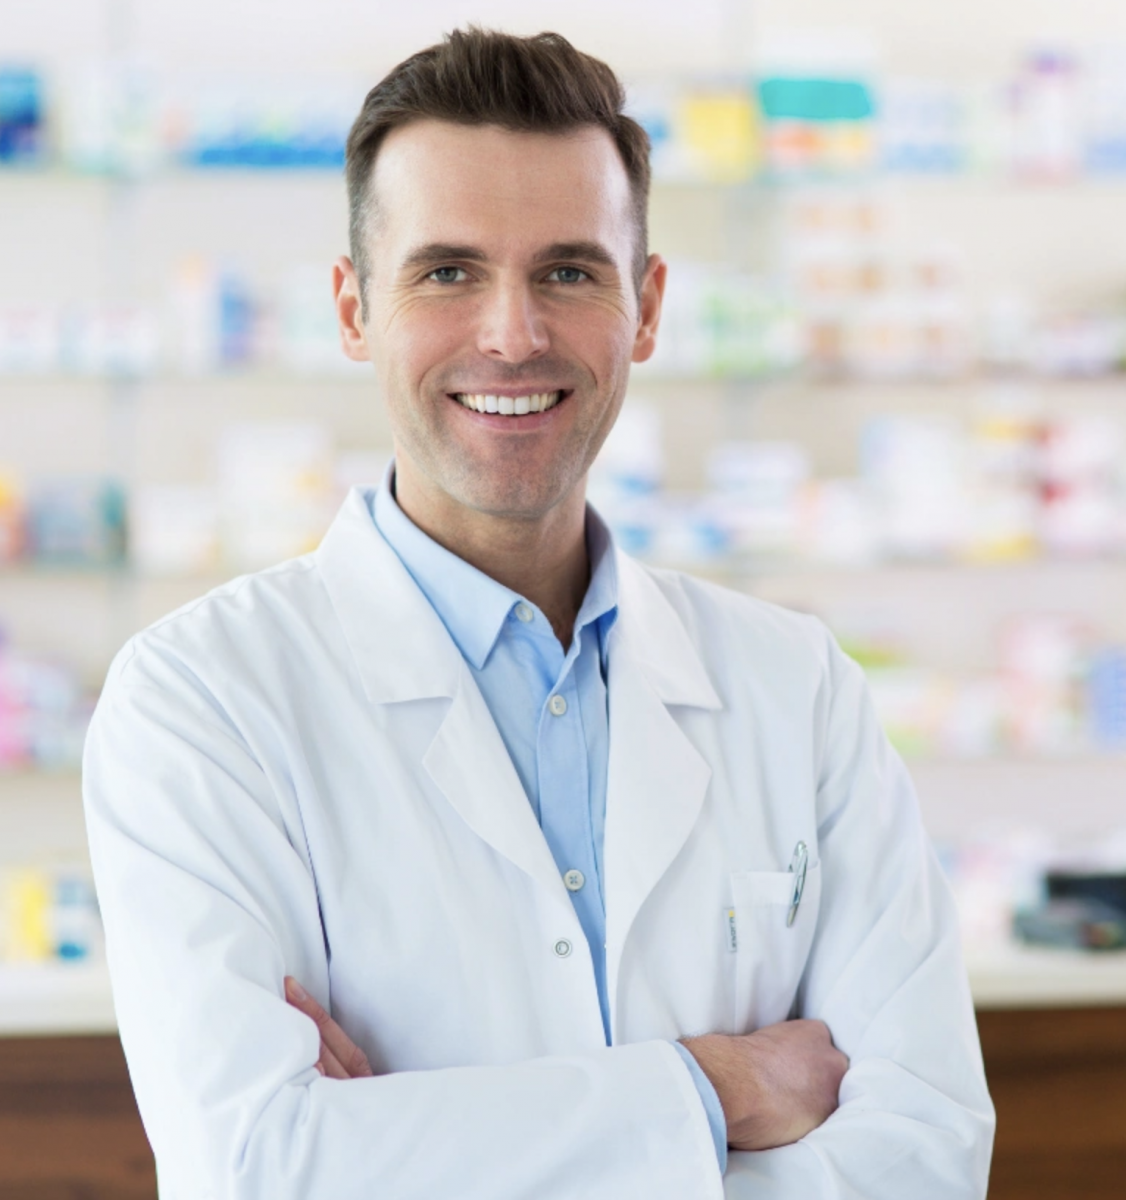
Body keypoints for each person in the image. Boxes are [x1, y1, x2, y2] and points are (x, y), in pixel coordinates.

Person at [84, 28, 994, 1199]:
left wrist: (415, 1142)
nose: (512, 334)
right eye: (447, 271)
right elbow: (259, 1165)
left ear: (647, 307)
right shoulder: (202, 699)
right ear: (354, 309)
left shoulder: (796, 685)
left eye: (568, 270)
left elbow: (926, 1156)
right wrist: (714, 1093)